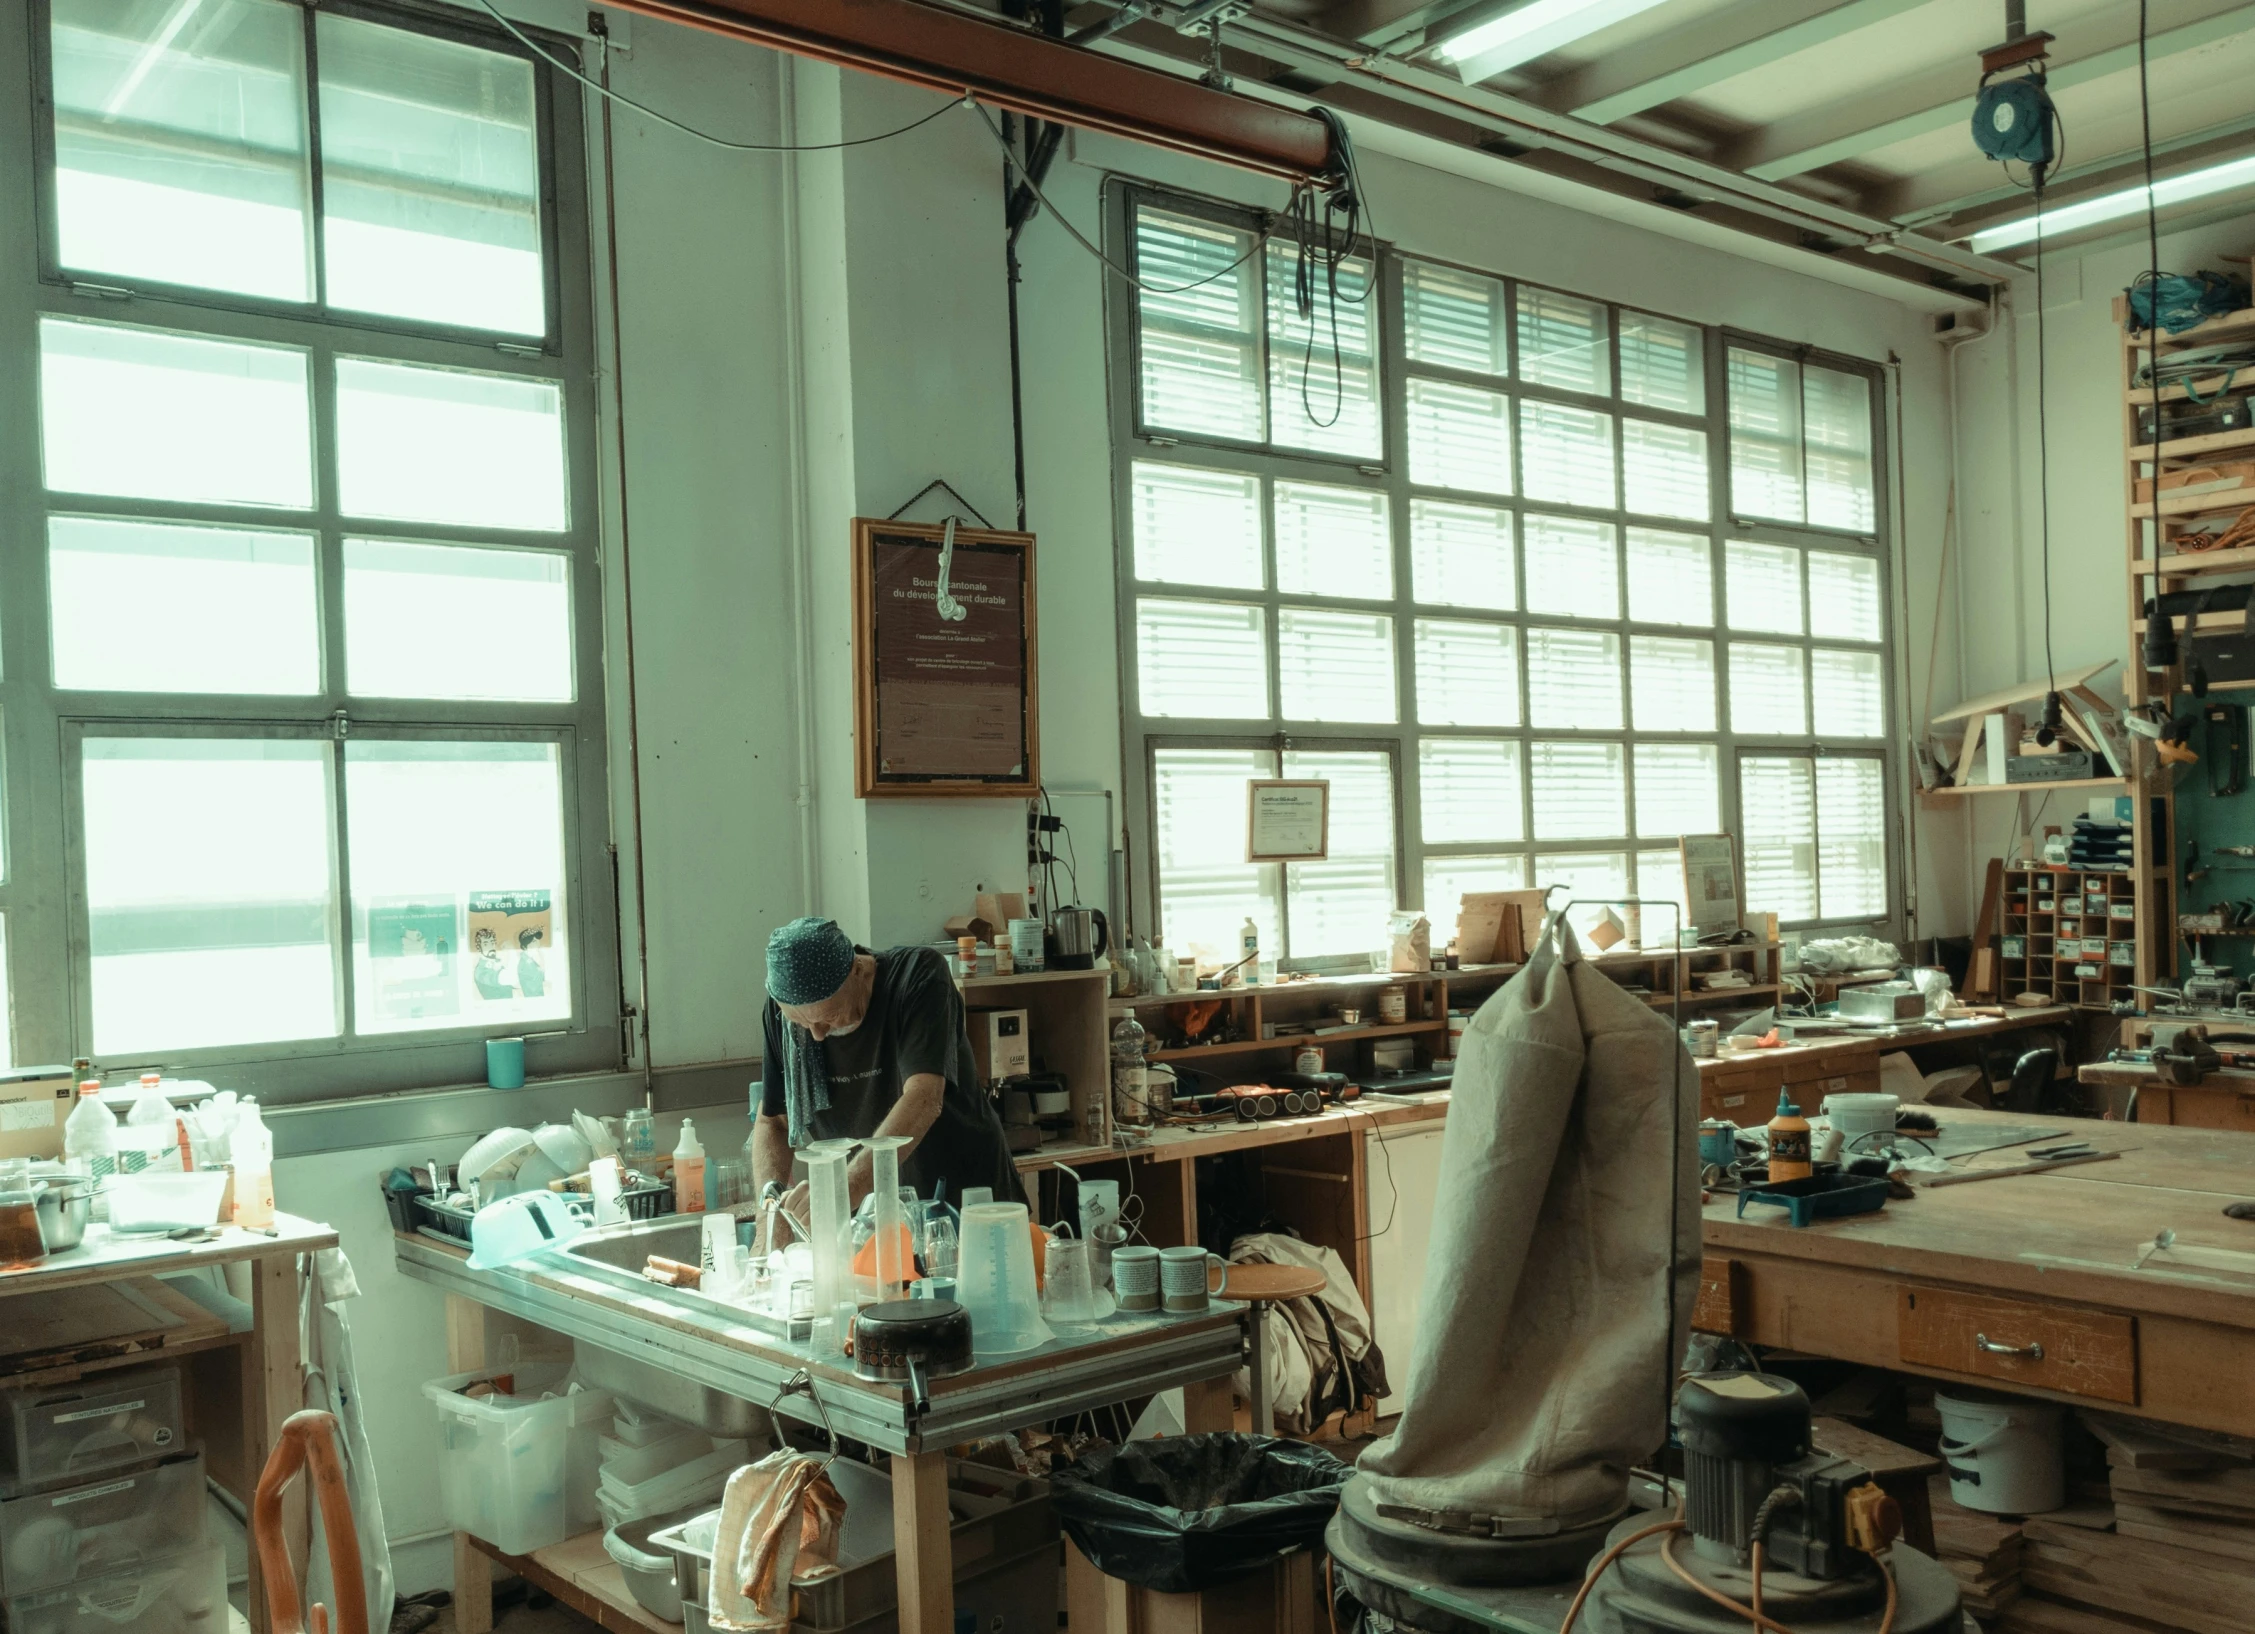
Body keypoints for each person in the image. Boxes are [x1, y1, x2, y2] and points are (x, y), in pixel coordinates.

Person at [753, 917, 1019, 1220]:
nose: (817, 1035)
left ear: (858, 969)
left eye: (830, 1016)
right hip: (870, 1208)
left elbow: (924, 1097)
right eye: (801, 1023)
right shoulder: (785, 1011)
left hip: (957, 1194)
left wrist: (843, 1189)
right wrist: (770, 1219)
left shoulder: (917, 976)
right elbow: (773, 1121)